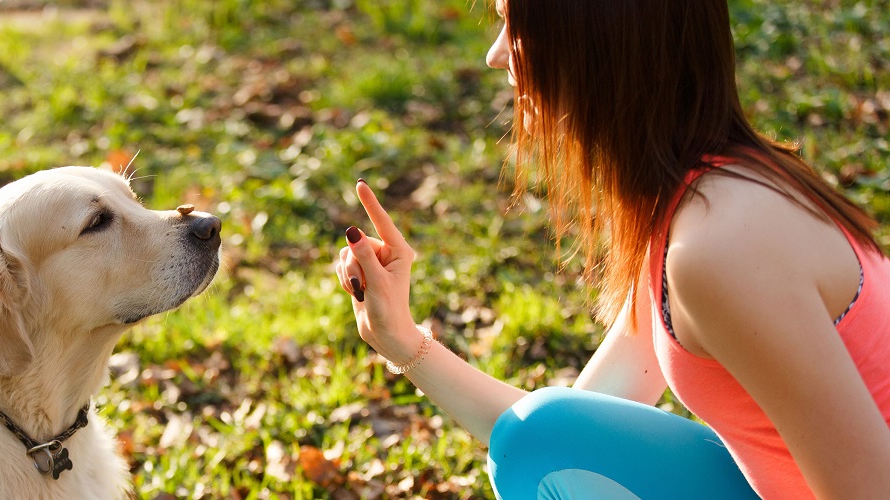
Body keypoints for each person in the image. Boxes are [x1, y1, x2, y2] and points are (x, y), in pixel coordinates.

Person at [335, 1, 890, 498]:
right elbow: (556, 441)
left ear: (592, 37)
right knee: (540, 443)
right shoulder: (694, 204)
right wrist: (402, 340)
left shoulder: (722, 246)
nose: (494, 55)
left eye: (513, 24)